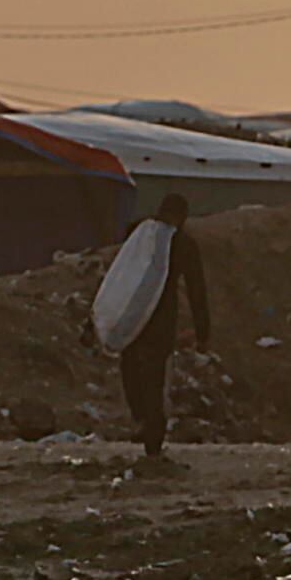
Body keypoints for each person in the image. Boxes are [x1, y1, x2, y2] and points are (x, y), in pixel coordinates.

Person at [110, 195, 211, 465]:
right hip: (160, 325)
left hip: (133, 319)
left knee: (131, 370)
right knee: (153, 381)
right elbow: (196, 292)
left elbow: (116, 278)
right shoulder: (183, 245)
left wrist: (101, 320)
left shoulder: (141, 236)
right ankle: (151, 442)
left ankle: (143, 423)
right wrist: (203, 334)